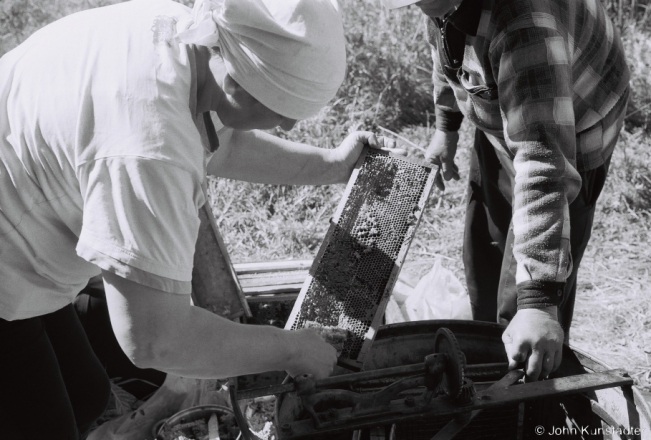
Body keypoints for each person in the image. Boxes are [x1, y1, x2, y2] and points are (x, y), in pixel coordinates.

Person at [0, 0, 398, 438]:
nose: (285, 126)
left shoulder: (184, 37)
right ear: (238, 84)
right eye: (283, 111)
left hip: (21, 224)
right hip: (6, 267)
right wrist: (292, 350)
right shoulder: (148, 147)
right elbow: (153, 336)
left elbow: (223, 141)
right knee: (43, 425)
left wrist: (332, 166)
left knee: (85, 394)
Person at [384, 0, 630, 381]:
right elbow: (446, 38)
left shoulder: (524, 25)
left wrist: (538, 301)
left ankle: (524, 382)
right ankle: (486, 352)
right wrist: (445, 127)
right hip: (511, 110)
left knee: (528, 299)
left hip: (573, 123)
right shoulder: (443, 5)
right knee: (485, 246)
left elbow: (544, 162)